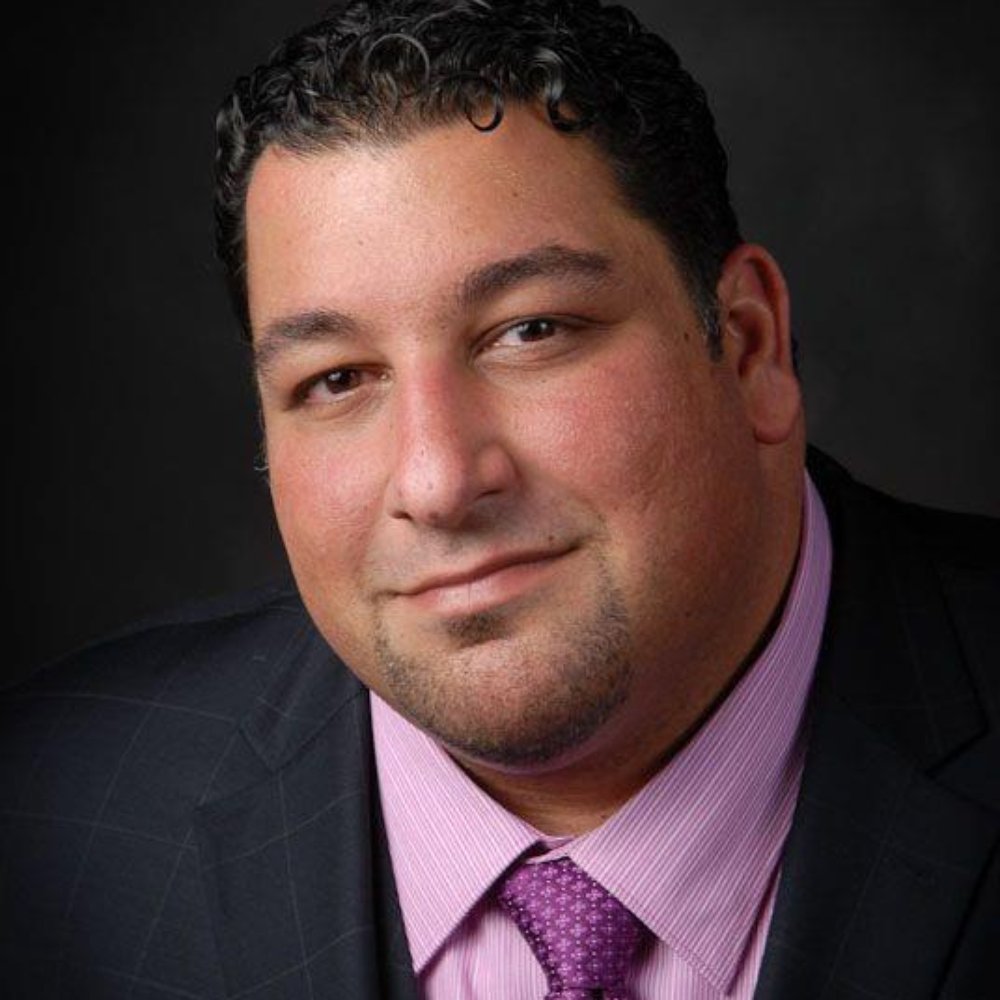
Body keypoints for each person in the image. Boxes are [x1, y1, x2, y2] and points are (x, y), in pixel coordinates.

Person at [2, 1, 997, 997]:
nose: (438, 483)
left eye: (531, 332)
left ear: (747, 347)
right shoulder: (46, 821)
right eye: (338, 379)